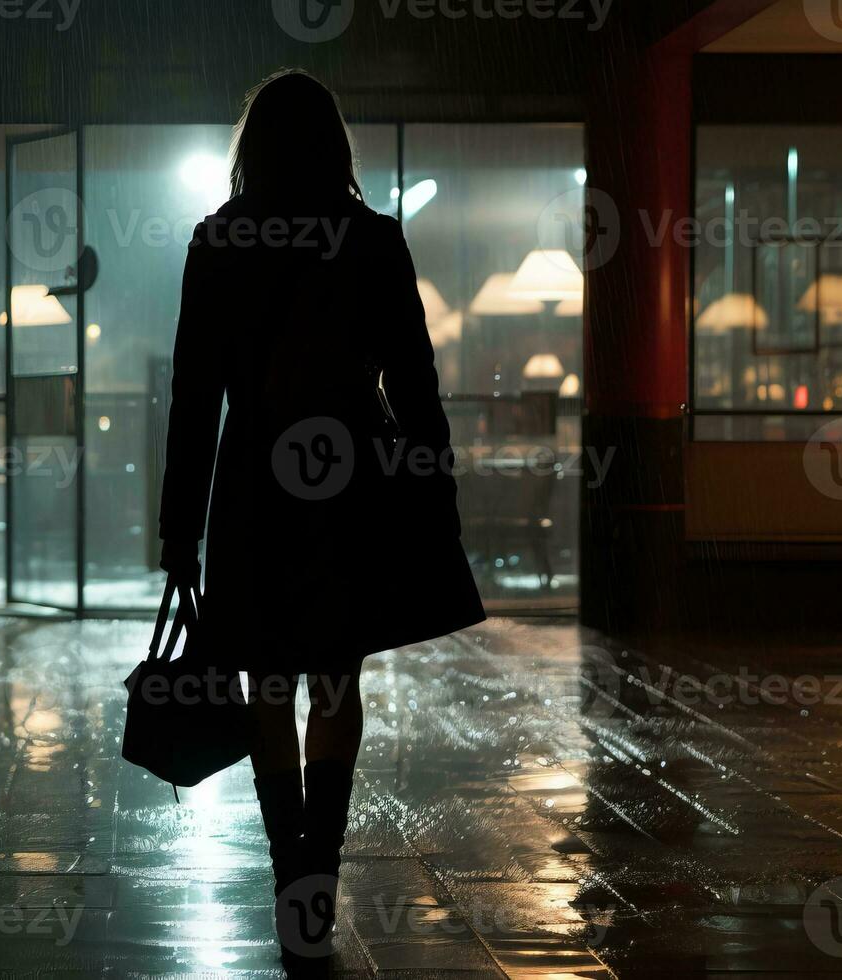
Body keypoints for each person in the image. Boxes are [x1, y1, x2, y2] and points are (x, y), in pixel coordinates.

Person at [157, 68, 485, 974]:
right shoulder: (373, 241)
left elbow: (194, 398)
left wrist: (176, 530)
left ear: (249, 149)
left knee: (266, 680)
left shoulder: (217, 241)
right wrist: (436, 489)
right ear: (335, 148)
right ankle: (321, 874)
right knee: (335, 680)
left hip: (251, 485)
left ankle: (286, 871)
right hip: (349, 486)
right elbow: (413, 382)